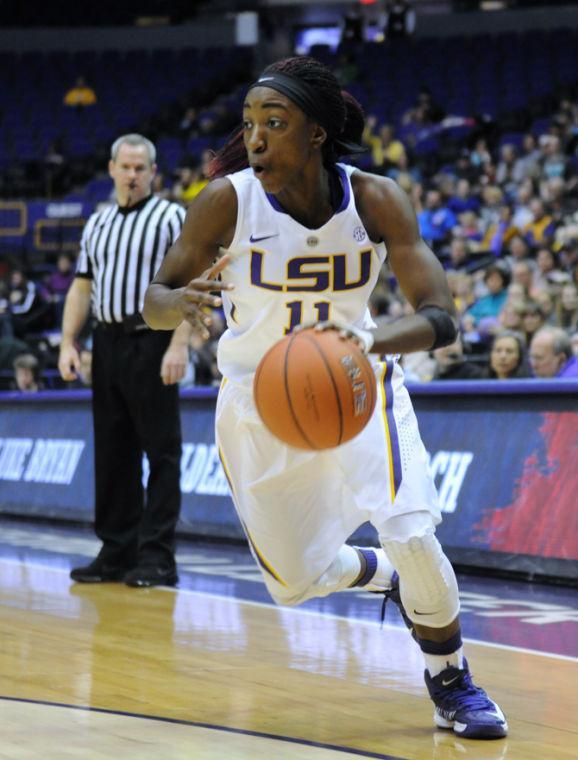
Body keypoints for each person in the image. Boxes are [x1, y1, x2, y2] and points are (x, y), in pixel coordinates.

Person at [143, 56, 507, 740]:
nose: (253, 138)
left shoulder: (375, 199)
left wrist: (365, 345)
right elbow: (155, 298)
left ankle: (452, 678)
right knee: (294, 582)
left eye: (272, 124)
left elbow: (441, 316)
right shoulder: (227, 200)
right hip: (259, 402)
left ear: (314, 132)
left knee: (413, 531)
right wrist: (179, 304)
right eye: (248, 123)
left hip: (357, 386)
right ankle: (381, 575)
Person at [58, 133, 191, 588]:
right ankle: (116, 551)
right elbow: (81, 286)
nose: (133, 175)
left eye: (141, 168)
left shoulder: (172, 217)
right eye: (126, 167)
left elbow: (192, 285)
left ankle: (157, 557)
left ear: (153, 172)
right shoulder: (97, 223)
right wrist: (67, 343)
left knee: (162, 451)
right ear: (111, 169)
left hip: (153, 339)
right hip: (107, 342)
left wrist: (179, 345)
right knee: (113, 452)